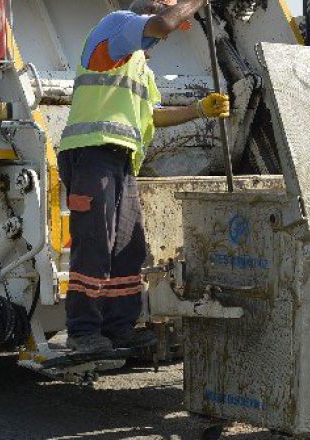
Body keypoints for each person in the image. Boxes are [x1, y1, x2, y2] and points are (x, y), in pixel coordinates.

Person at [57, 0, 230, 354]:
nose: (161, 41)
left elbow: (153, 116)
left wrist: (199, 110)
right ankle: (83, 332)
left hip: (120, 161)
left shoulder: (140, 68)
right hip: (92, 154)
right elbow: (164, 25)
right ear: (147, 13)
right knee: (94, 244)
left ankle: (118, 329)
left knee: (128, 248)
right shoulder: (117, 25)